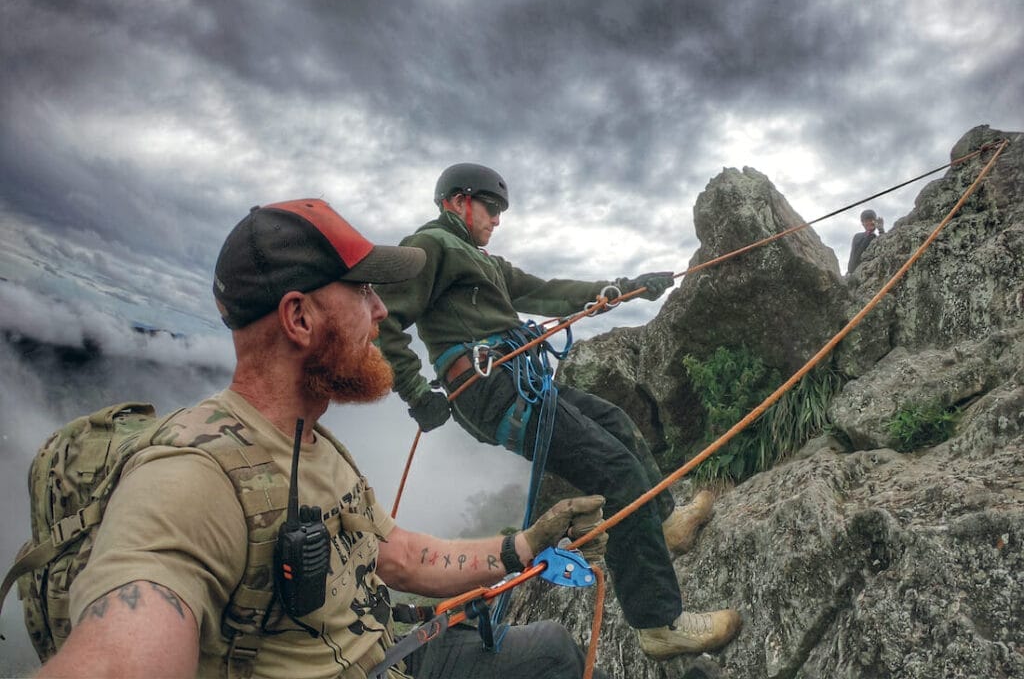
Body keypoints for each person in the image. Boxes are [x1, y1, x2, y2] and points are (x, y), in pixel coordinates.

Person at [37, 198, 613, 679]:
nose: (382, 310)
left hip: (387, 654)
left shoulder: (315, 443)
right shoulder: (191, 476)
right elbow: (120, 652)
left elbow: (400, 556)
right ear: (299, 318)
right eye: (363, 291)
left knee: (553, 651)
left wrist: (526, 544)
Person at [375, 163, 742, 660]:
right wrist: (416, 392)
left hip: (519, 381)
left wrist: (619, 287)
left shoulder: (484, 262)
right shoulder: (429, 247)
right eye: (491, 207)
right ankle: (659, 624)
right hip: (493, 391)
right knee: (616, 472)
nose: (497, 219)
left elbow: (543, 290)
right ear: (457, 202)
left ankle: (663, 524)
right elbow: (383, 319)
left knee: (617, 424)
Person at [848, 208, 885, 273]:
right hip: (855, 270)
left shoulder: (875, 238)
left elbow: (884, 247)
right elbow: (859, 251)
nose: (869, 223)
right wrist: (871, 233)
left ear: (875, 222)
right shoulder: (858, 236)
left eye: (871, 220)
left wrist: (881, 230)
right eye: (866, 221)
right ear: (862, 223)